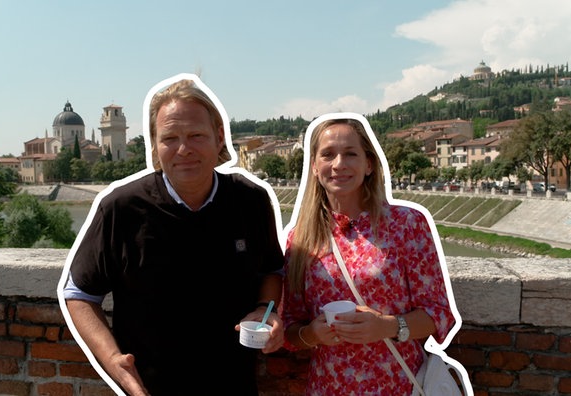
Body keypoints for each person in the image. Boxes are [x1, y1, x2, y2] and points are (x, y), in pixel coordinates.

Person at [58, 73, 285, 396]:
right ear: (155, 144)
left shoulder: (250, 200)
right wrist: (113, 361)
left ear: (219, 137)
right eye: (169, 139)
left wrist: (266, 310)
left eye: (196, 135)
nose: (183, 149)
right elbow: (79, 292)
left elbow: (271, 269)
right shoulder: (121, 209)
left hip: (234, 385)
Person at [280, 113, 463, 395]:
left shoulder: (407, 225)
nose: (339, 164)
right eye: (327, 154)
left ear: (368, 165)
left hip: (398, 385)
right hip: (328, 387)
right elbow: (291, 329)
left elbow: (439, 315)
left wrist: (387, 326)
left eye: (350, 154)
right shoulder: (301, 238)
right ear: (315, 167)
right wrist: (312, 334)